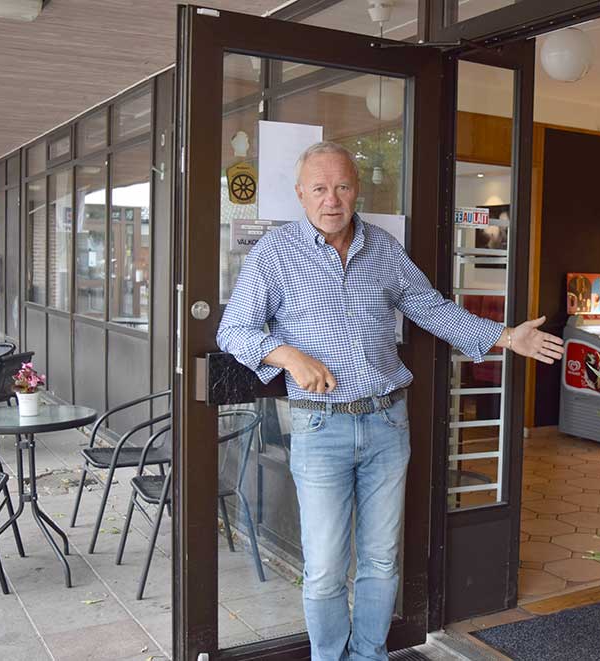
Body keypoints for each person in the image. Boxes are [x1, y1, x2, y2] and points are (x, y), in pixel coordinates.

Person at [217, 141, 563, 661]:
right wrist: (286, 355)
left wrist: (508, 336)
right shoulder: (275, 253)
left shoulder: (381, 248)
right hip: (321, 429)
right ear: (300, 194)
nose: (331, 199)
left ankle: (369, 655)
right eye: (319, 188)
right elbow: (233, 330)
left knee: (381, 560)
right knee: (326, 567)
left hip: (386, 425)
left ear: (356, 190)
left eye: (341, 186)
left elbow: (430, 308)